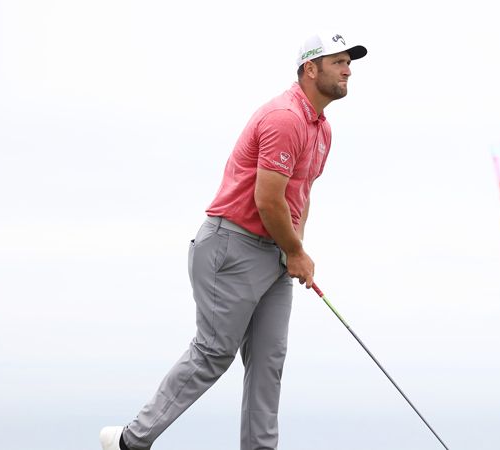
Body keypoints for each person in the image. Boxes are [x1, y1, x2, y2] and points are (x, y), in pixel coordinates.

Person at [99, 31, 367, 450]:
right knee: (213, 353)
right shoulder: (285, 118)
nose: (348, 68)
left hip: (276, 252)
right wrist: (296, 252)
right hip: (232, 246)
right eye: (338, 61)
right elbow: (267, 198)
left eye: (350, 61)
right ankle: (132, 440)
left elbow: (301, 195)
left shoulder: (322, 129)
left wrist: (295, 249)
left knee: (268, 363)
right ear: (310, 69)